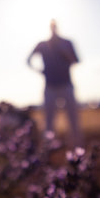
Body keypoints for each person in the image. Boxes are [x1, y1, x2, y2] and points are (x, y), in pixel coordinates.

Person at [27, 19, 83, 147]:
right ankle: (48, 152)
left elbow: (76, 60)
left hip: (66, 85)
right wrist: (40, 71)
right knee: (48, 122)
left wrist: (65, 53)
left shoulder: (66, 43)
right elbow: (28, 60)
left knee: (73, 120)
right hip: (50, 87)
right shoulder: (42, 44)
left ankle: (78, 149)